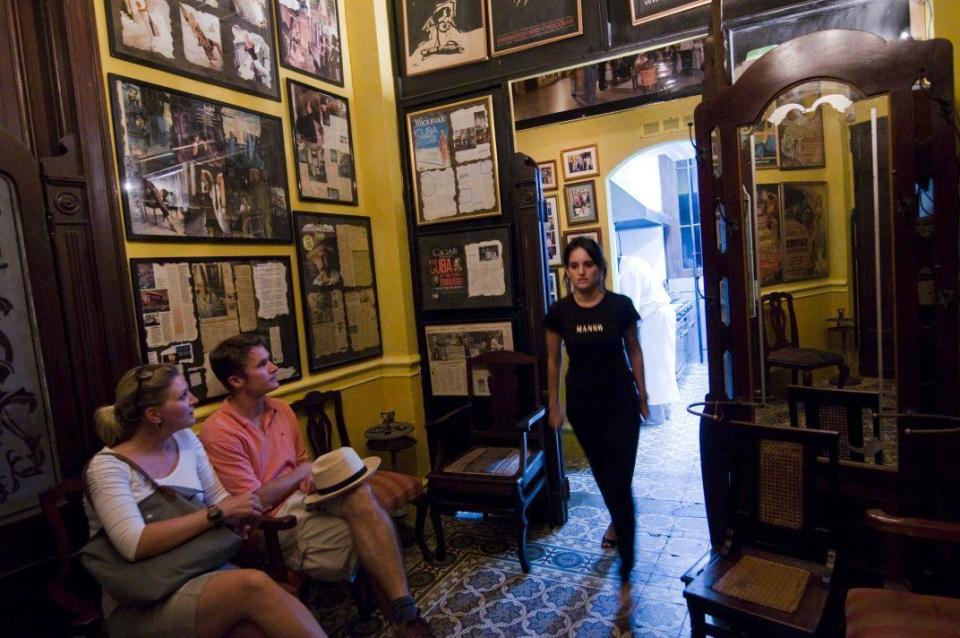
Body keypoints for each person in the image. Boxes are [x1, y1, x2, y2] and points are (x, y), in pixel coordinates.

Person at [199, 335, 435, 638]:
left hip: (306, 498)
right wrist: (302, 473)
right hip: (273, 520)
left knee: (361, 497)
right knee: (372, 536)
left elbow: (302, 461)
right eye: (262, 364)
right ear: (236, 381)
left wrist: (313, 479)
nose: (273, 367)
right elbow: (254, 502)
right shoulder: (220, 431)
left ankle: (405, 615)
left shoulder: (280, 409)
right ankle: (406, 622)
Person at [84, 363, 327, 638]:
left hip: (201, 568)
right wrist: (216, 514)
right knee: (254, 584)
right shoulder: (108, 468)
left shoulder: (186, 440)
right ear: (154, 414)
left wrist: (242, 513)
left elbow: (220, 499)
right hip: (144, 597)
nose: (194, 400)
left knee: (254, 629)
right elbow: (134, 544)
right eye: (183, 396)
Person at [544, 238, 649, 618]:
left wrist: (643, 392)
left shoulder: (620, 307)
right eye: (574, 265)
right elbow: (554, 362)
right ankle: (618, 522)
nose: (582, 271)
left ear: (599, 267)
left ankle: (625, 577)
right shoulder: (559, 314)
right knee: (607, 480)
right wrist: (555, 406)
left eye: (588, 264)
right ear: (568, 271)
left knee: (620, 484)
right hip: (584, 409)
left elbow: (634, 350)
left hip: (620, 404)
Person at [618, 255, 680, 425]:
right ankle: (664, 411)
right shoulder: (631, 263)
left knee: (654, 370)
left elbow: (631, 309)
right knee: (662, 368)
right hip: (659, 317)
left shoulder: (627, 271)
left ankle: (655, 415)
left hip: (655, 319)